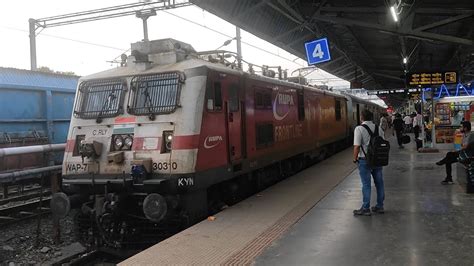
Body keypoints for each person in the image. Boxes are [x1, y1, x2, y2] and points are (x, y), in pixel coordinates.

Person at [353, 109, 385, 216]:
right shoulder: (378, 128)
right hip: (378, 160)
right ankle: (380, 206)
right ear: (371, 117)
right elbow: (382, 143)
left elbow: (357, 146)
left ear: (361, 117)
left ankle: (366, 208)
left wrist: (354, 159)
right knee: (379, 183)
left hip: (364, 160)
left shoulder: (359, 128)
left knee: (366, 185)